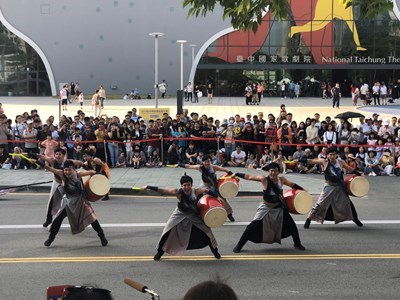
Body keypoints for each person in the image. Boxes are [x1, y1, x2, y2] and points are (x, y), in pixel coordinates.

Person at [143, 174, 221, 261]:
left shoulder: (196, 191)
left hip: (192, 214)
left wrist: (217, 197)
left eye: (188, 185)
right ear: (181, 186)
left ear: (191, 185)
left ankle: (215, 251)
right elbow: (163, 190)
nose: (186, 187)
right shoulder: (177, 192)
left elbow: (206, 190)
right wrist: (148, 186)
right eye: (184, 185)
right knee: (167, 230)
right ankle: (159, 252)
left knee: (207, 231)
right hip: (179, 213)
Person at [232, 162, 306, 253]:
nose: (273, 173)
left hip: (279, 207)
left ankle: (297, 243)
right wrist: (237, 174)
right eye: (271, 171)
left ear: (278, 172)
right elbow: (249, 177)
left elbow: (292, 185)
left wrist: (303, 190)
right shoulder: (264, 179)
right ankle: (239, 245)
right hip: (266, 207)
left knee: (292, 225)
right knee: (252, 226)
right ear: (268, 171)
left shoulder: (281, 179)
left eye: (275, 171)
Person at [34, 159, 108, 247]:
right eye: (66, 170)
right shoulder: (61, 174)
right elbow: (49, 168)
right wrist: (36, 161)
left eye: (69, 170)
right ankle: (51, 238)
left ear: (73, 169)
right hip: (68, 203)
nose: (67, 172)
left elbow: (91, 172)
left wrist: (98, 174)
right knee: (57, 220)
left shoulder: (78, 175)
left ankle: (102, 237)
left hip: (80, 201)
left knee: (92, 219)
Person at [301, 147, 363, 229]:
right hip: (329, 186)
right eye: (330, 154)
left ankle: (355, 219)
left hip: (339, 186)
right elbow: (312, 161)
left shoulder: (341, 162)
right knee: (320, 204)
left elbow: (350, 169)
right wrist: (302, 159)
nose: (332, 156)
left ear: (337, 155)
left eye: (334, 154)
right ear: (328, 155)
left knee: (348, 204)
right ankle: (308, 220)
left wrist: (359, 174)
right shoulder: (324, 161)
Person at [180, 155, 236, 222]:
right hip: (204, 185)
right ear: (202, 162)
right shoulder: (200, 167)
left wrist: (232, 175)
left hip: (214, 185)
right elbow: (189, 166)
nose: (207, 163)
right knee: (198, 197)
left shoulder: (214, 167)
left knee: (222, 199)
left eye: (208, 161)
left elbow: (225, 169)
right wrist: (179, 164)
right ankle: (197, 213)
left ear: (210, 161)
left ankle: (229, 214)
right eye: (205, 162)